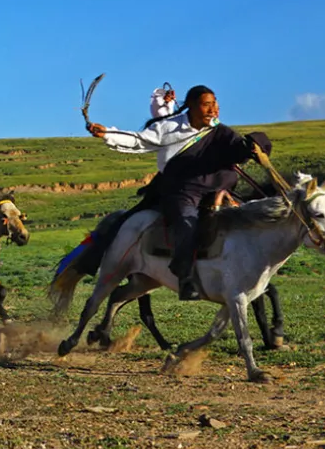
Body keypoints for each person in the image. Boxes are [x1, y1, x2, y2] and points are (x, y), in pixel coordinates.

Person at [87, 85, 271, 301]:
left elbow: (237, 149)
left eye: (215, 104)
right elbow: (139, 140)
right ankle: (186, 277)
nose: (213, 109)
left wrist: (254, 146)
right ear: (191, 107)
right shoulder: (169, 128)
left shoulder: (220, 131)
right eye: (206, 104)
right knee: (187, 223)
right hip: (182, 191)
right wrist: (108, 134)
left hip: (215, 189)